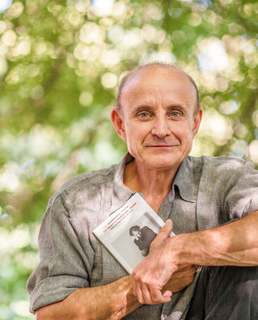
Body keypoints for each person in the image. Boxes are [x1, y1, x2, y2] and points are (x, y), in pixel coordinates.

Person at [27, 62, 258, 319]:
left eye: (175, 114)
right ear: (120, 124)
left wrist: (177, 251)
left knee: (246, 258)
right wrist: (140, 287)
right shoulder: (75, 203)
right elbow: (51, 315)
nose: (161, 130)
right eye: (144, 115)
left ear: (195, 123)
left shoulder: (228, 178)